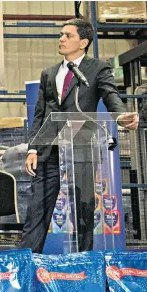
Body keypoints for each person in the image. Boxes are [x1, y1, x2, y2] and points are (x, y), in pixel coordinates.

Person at [21, 18, 138, 253]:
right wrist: (33, 149)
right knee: (37, 209)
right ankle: (28, 261)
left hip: (82, 147)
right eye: (61, 34)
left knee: (83, 207)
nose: (61, 38)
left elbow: (110, 95)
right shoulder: (49, 74)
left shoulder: (97, 69)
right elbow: (40, 114)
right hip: (49, 148)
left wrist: (120, 116)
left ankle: (83, 261)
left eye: (68, 35)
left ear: (83, 42)